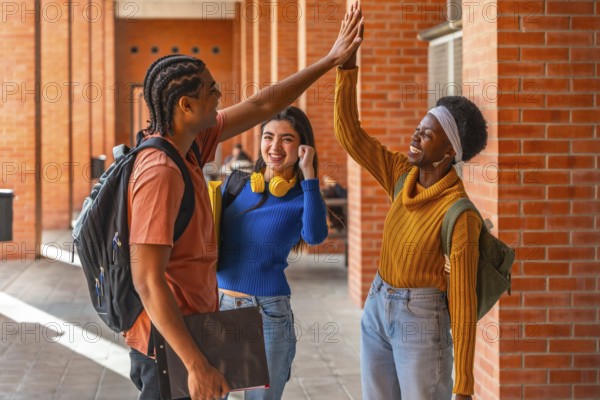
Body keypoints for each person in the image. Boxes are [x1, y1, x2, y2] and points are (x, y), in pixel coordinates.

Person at [125, 6, 363, 399]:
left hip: (208, 322)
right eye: (210, 91)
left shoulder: (191, 146)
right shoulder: (160, 171)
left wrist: (331, 61)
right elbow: (148, 281)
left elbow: (260, 105)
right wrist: (197, 364)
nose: (220, 96)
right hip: (170, 338)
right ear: (186, 106)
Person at [333, 4, 487, 399]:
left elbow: (464, 302)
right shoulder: (402, 176)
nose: (415, 137)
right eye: (418, 129)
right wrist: (347, 67)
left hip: (423, 319)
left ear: (449, 151)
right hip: (377, 303)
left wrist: (464, 386)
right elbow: (351, 134)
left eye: (427, 134)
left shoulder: (459, 215)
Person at [217, 106, 328, 399]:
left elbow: (315, 236)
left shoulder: (303, 197)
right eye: (268, 137)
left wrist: (310, 176)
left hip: (267, 313)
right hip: (219, 305)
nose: (275, 147)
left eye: (287, 139)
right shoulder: (236, 183)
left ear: (303, 147)